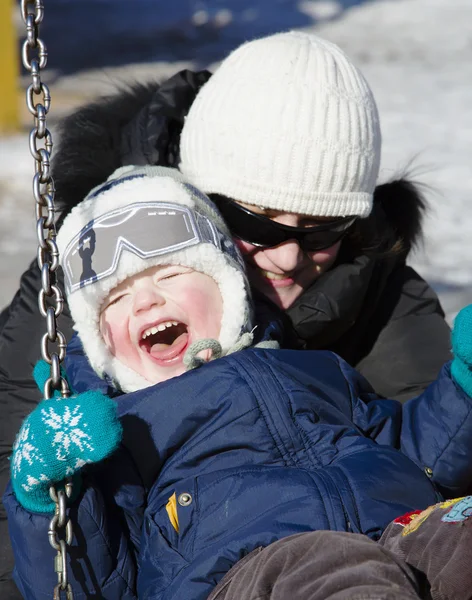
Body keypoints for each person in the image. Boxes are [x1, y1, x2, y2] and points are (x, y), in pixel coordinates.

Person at [0, 31, 452, 596]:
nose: (289, 256)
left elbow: (428, 451)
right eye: (260, 224)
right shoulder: (92, 293)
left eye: (322, 230)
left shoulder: (381, 294)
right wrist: (46, 490)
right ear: (202, 208)